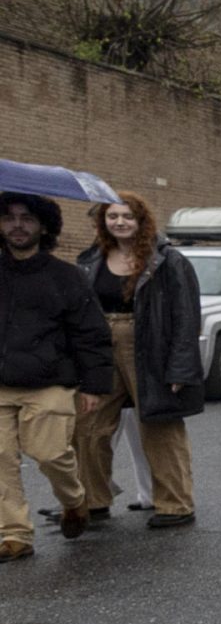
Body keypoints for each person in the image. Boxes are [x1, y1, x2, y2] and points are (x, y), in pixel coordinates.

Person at [69, 193, 202, 526]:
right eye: (112, 216)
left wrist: (181, 366)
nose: (119, 222)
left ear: (141, 220)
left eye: (127, 216)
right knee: (88, 425)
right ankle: (93, 501)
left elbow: (186, 316)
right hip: (99, 344)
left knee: (159, 425)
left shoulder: (168, 260)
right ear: (103, 221)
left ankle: (175, 504)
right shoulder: (91, 258)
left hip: (149, 343)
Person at [0, 193, 114, 559]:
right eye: (9, 218)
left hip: (49, 382)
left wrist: (94, 385)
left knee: (49, 454)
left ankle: (74, 499)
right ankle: (15, 535)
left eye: (27, 218)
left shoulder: (67, 277)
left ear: (44, 226)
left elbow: (91, 334)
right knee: (1, 460)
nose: (17, 225)